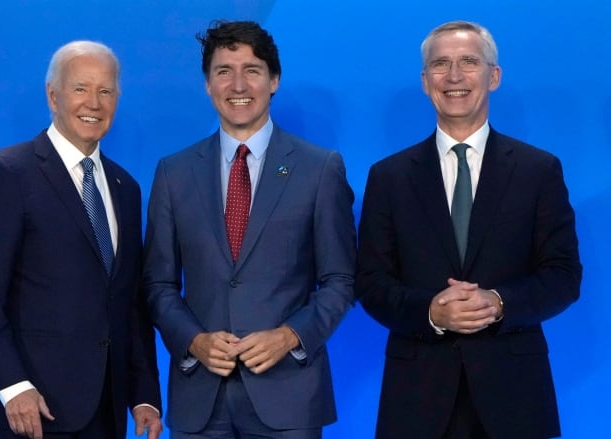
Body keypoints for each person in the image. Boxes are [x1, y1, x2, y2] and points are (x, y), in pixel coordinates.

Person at [356, 21, 582, 439]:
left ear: (493, 76)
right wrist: (431, 313)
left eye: (468, 63)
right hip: (416, 399)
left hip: (514, 396)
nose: (454, 77)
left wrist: (497, 302)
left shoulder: (538, 171)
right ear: (426, 82)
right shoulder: (388, 177)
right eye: (440, 64)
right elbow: (370, 283)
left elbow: (563, 277)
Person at [143, 20, 356, 439]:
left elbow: (341, 280)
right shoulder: (173, 173)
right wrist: (194, 341)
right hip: (199, 400)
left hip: (289, 396)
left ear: (273, 80)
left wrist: (290, 335)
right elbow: (158, 284)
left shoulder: (319, 168)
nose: (238, 84)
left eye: (252, 70)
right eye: (224, 71)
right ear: (207, 84)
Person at [0, 40, 162, 439]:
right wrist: (12, 386)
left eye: (106, 91)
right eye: (81, 89)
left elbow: (129, 302)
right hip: (31, 410)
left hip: (105, 411)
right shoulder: (8, 173)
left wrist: (144, 394)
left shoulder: (126, 187)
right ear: (53, 96)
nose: (94, 103)